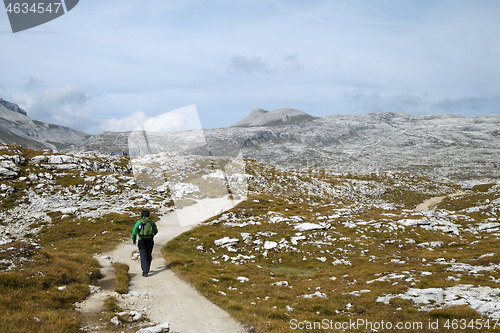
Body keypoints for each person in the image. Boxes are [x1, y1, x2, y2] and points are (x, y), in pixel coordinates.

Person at [132, 210, 158, 277]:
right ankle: (147, 268)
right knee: (148, 254)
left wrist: (134, 240)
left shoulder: (139, 222)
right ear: (149, 215)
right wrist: (151, 235)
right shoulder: (152, 222)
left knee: (143, 255)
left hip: (141, 240)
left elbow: (134, 232)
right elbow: (156, 231)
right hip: (150, 241)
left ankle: (145, 271)